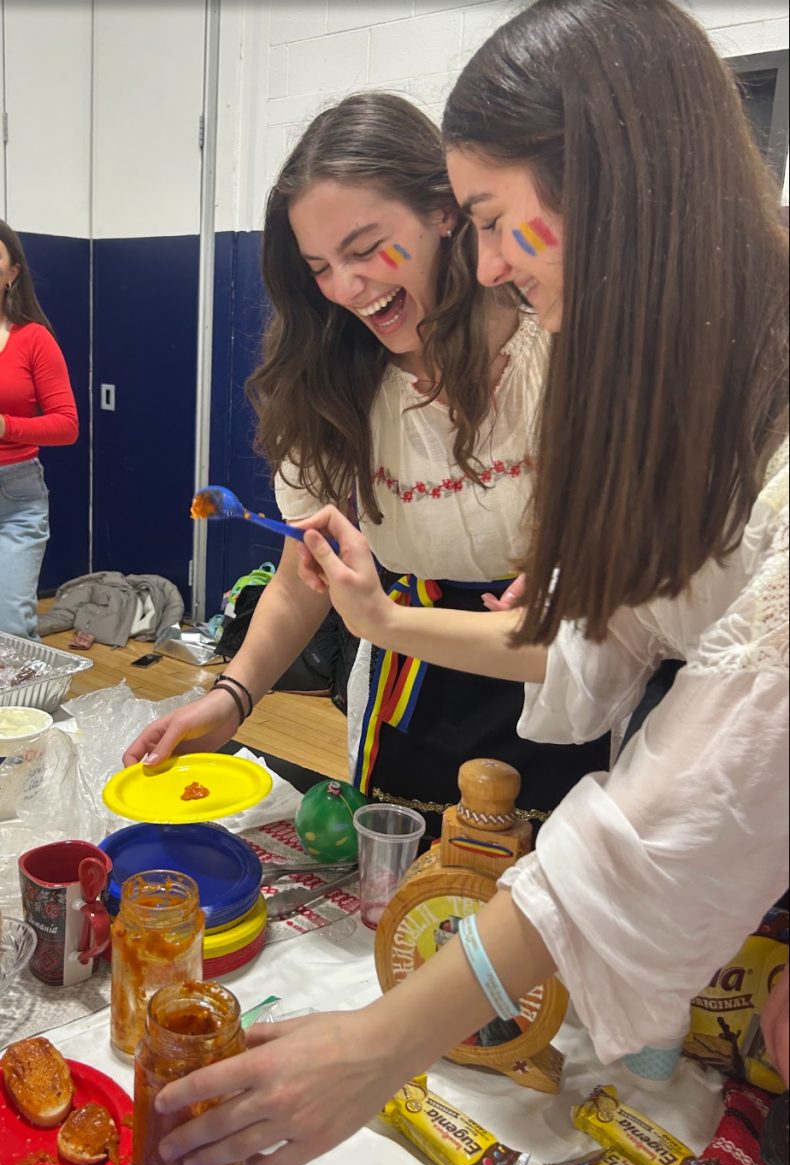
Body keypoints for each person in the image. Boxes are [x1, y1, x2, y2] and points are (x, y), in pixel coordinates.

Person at [152, 0, 788, 1165]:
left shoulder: (593, 359)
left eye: (495, 224)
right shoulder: (362, 379)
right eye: (317, 268)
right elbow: (618, 630)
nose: (497, 267)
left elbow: (668, 759)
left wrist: (384, 1043)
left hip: (577, 726)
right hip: (429, 683)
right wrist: (254, 684)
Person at [123, 92, 609, 837]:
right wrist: (232, 697)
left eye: (365, 248)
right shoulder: (331, 382)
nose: (347, 289)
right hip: (410, 692)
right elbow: (302, 575)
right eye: (319, 266)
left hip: (572, 689)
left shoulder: (561, 347)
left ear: (444, 211)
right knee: (405, 909)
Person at [0, 221, 78, 639]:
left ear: (13, 272)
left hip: (17, 497)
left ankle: (22, 707)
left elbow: (67, 426)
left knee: (10, 630)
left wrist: (4, 425)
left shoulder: (34, 340)